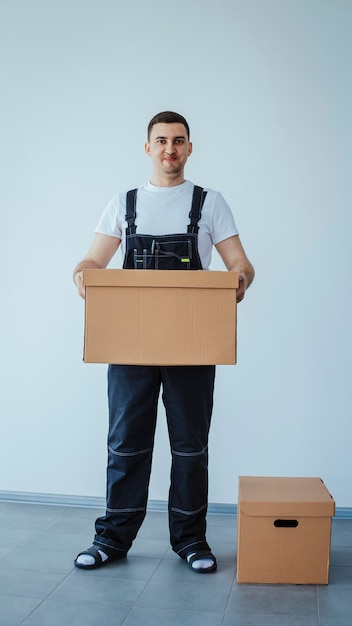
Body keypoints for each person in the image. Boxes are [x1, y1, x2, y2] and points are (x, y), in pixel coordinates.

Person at [73, 111, 254, 574]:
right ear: (147, 147)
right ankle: (112, 539)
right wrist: (83, 273)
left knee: (190, 447)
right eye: (161, 141)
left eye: (178, 141)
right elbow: (94, 258)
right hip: (129, 345)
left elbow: (241, 263)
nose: (169, 149)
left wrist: (240, 279)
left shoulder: (210, 203)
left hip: (191, 347)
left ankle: (191, 541)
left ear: (190, 148)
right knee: (125, 444)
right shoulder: (123, 204)